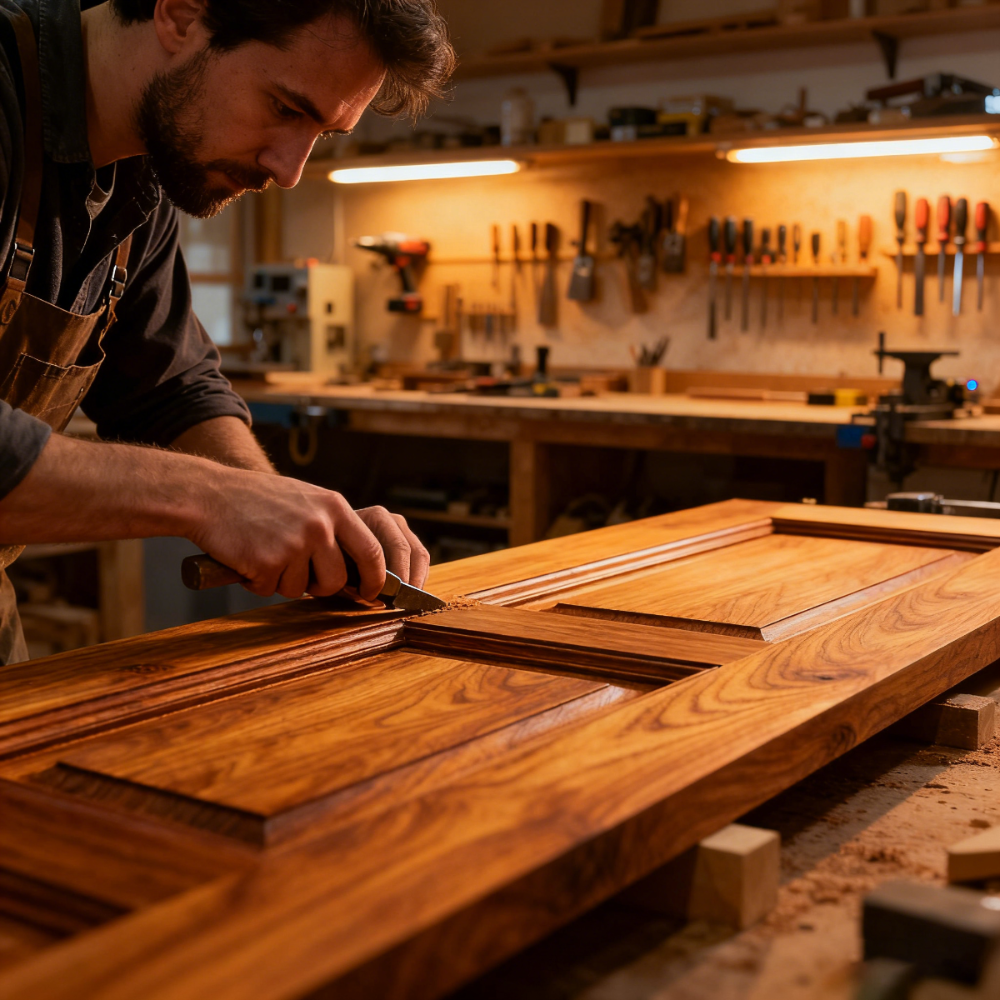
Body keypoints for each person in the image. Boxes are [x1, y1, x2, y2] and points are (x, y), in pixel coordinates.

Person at [0, 0, 456, 663]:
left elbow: (170, 386)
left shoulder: (139, 174)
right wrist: (213, 498)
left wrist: (285, 508)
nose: (290, 169)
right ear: (180, 14)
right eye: (286, 108)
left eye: (322, 135)